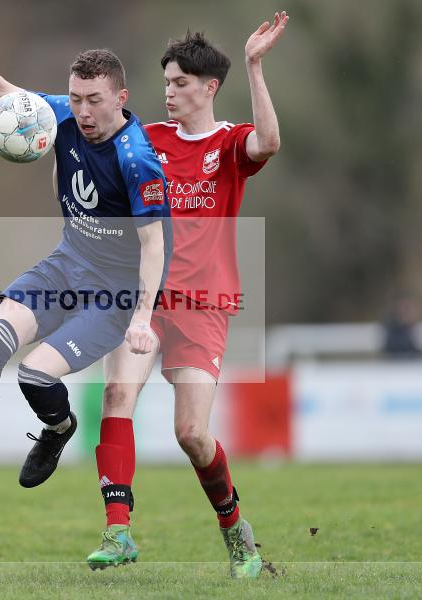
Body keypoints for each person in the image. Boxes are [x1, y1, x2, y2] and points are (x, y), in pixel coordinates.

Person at [0, 14, 171, 508]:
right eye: (76, 98)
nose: (82, 111)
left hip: (112, 296)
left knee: (34, 375)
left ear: (121, 98)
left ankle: (59, 428)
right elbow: (2, 91)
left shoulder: (137, 160)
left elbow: (154, 245)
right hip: (65, 266)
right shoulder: (62, 115)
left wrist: (142, 318)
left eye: (94, 100)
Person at [81, 16, 288, 578]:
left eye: (179, 83)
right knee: (117, 393)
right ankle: (118, 530)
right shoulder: (146, 139)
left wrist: (254, 65)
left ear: (209, 87)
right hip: (144, 300)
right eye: (166, 82)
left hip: (204, 305)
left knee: (192, 435)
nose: (168, 92)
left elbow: (269, 142)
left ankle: (236, 531)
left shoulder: (228, 144)